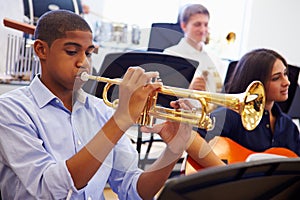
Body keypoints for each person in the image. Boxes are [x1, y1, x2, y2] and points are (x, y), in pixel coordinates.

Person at [0, 10, 224, 199]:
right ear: (41, 50)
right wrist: (121, 119)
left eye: (88, 53)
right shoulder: (11, 110)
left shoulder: (99, 110)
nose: (83, 62)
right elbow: (50, 190)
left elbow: (135, 190)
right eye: (71, 51)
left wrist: (174, 149)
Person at [197, 48, 300, 156]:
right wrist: (220, 167)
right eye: (276, 78)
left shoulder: (289, 126)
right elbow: (193, 138)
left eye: (285, 74)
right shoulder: (230, 116)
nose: (287, 82)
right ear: (256, 83)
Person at [163, 3, 226, 93]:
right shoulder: (171, 54)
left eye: (206, 24)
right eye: (197, 24)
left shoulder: (215, 58)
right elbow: (165, 94)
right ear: (184, 26)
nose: (203, 30)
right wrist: (189, 88)